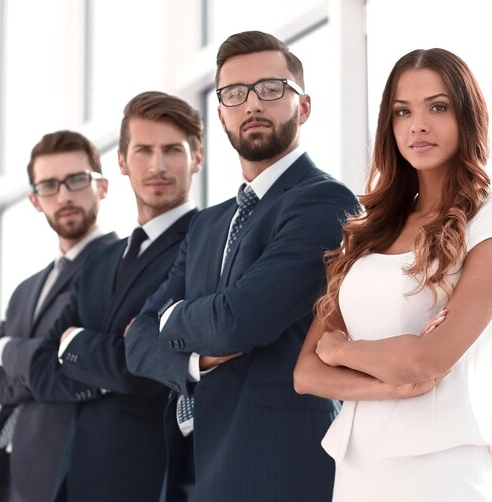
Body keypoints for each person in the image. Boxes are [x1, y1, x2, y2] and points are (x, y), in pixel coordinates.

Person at [124, 31, 358, 502]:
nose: (252, 104)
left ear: (304, 106)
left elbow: (237, 321)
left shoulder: (324, 202)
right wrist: (194, 360)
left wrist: (172, 318)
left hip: (279, 466)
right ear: (221, 114)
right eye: (234, 94)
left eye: (271, 89)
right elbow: (135, 341)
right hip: (196, 469)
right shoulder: (206, 225)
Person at [293, 48, 492, 502]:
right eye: (403, 111)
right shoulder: (367, 231)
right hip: (359, 468)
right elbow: (307, 372)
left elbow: (427, 361)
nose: (417, 125)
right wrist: (393, 381)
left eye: (437, 107)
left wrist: (344, 349)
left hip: (441, 467)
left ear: (467, 117)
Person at [28, 91, 202, 502]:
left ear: (196, 157)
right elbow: (39, 367)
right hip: (79, 481)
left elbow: (147, 370)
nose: (157, 166)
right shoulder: (100, 260)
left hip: (153, 480)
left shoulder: (207, 243)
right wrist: (114, 363)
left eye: (172, 150)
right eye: (143, 150)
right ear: (122, 161)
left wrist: (75, 344)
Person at [0, 130, 117, 502]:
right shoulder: (26, 290)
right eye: (49, 186)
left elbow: (81, 367)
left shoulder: (118, 268)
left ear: (102, 187)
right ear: (35, 200)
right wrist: (40, 376)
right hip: (16, 478)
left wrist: (8, 352)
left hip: (77, 475)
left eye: (76, 180)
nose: (64, 195)